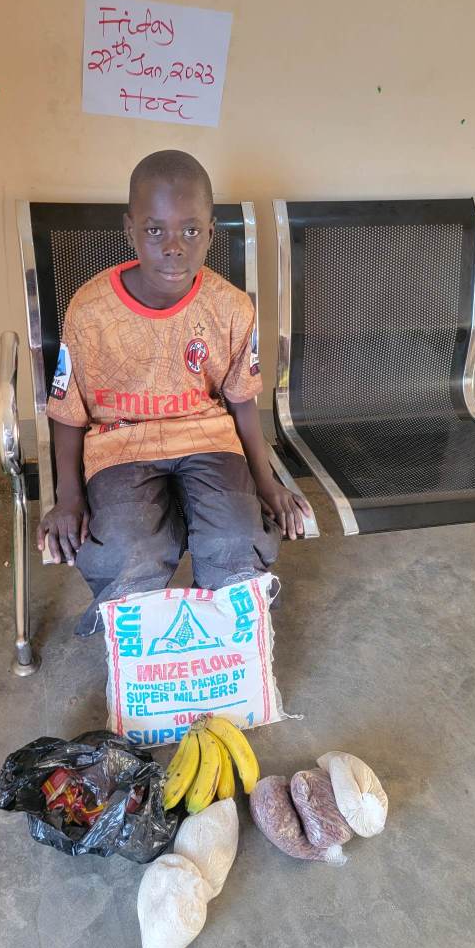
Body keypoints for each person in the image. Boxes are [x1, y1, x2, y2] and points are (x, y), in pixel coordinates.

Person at [37, 149, 310, 635]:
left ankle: (222, 645)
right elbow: (68, 411)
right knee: (127, 551)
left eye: (190, 230)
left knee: (236, 540)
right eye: (154, 230)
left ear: (211, 233)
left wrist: (265, 482)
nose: (173, 248)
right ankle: (139, 644)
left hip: (207, 439)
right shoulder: (90, 310)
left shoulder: (230, 307)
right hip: (120, 445)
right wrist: (69, 497)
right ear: (130, 230)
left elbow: (241, 400)